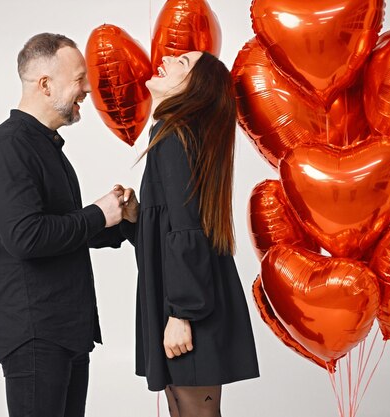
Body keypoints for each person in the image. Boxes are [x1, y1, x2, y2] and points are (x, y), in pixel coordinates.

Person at [0, 33, 138, 417]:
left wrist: (119, 222)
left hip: (65, 330)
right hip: (35, 335)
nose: (88, 89)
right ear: (45, 85)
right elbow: (26, 237)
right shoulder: (7, 148)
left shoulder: (44, 146)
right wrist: (99, 213)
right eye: (79, 78)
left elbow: (59, 231)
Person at [125, 51, 260, 416]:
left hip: (189, 305)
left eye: (181, 63)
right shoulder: (174, 135)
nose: (167, 58)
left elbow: (187, 230)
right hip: (186, 298)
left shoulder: (174, 136)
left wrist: (181, 314)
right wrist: (138, 217)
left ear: (194, 90)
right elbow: (173, 227)